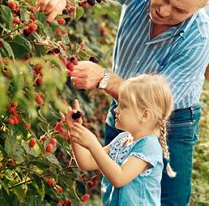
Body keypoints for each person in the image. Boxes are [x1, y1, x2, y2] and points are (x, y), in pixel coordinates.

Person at [37, 0, 209, 205]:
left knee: (170, 200)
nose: (164, 11)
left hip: (172, 119)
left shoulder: (199, 40)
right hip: (124, 107)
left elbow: (152, 102)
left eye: (179, 10)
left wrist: (104, 79)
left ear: (199, 9)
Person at [67, 74, 175, 206]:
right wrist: (74, 129)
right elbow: (86, 162)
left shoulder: (149, 146)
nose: (116, 110)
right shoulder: (122, 139)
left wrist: (93, 143)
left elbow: (119, 178)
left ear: (145, 115)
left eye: (123, 106)